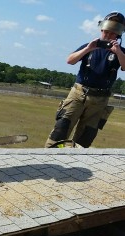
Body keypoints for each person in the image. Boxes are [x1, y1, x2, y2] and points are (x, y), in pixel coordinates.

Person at [45, 12, 125, 148]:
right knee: (61, 129)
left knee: (85, 137)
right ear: (101, 30)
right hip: (78, 94)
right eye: (106, 32)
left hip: (99, 100)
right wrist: (88, 48)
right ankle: (49, 159)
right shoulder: (90, 46)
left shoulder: (120, 51)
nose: (108, 35)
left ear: (118, 34)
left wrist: (118, 52)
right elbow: (70, 60)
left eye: (112, 33)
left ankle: (75, 164)